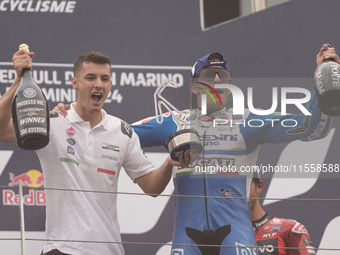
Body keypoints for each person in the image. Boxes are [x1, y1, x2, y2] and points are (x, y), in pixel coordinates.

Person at [54, 45, 338, 255]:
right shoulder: (173, 122)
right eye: (210, 75)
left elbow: (312, 127)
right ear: (193, 85)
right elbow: (113, 133)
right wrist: (72, 115)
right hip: (186, 239)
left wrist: (322, 81)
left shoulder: (248, 121)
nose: (218, 81)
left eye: (223, 75)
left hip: (236, 237)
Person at [0, 48, 197, 255]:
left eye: (105, 78)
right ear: (74, 83)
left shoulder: (123, 132)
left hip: (109, 250)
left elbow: (152, 187)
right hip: (62, 249)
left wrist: (169, 162)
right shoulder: (53, 123)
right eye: (90, 77)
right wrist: (19, 80)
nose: (99, 84)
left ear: (110, 84)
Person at [250, 177, 317, 255]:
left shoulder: (289, 228)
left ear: (259, 186)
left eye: (245, 184)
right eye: (232, 187)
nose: (238, 191)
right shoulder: (232, 232)